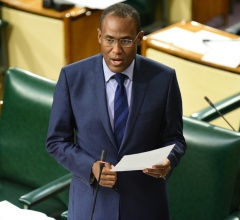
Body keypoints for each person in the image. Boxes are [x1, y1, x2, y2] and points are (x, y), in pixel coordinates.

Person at [46, 3, 186, 220]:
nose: (116, 50)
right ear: (99, 36)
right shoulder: (72, 78)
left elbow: (175, 139)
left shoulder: (163, 79)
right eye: (110, 39)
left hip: (145, 206)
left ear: (139, 38)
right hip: (91, 206)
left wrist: (169, 161)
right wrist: (90, 166)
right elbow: (56, 141)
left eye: (126, 41)